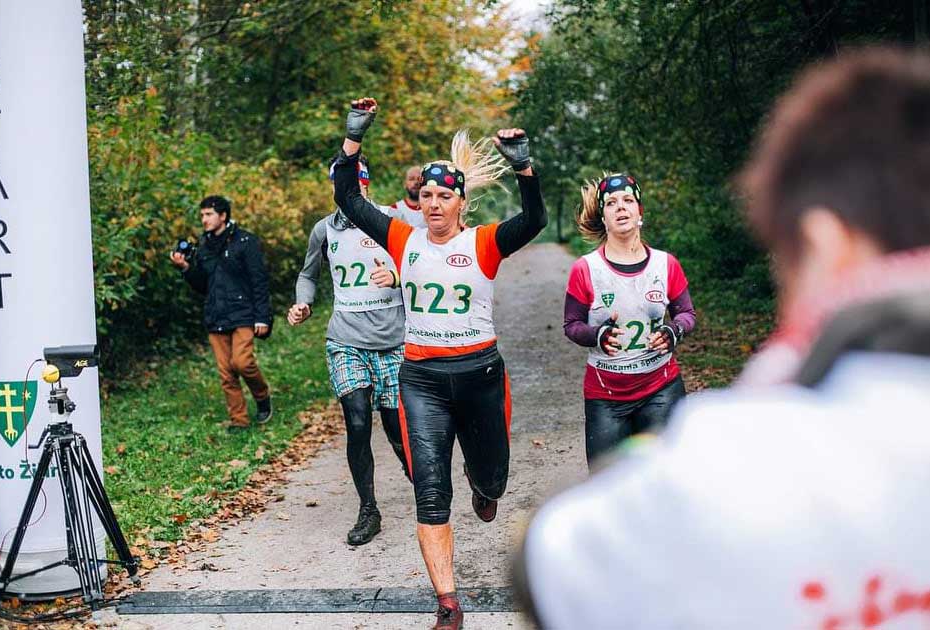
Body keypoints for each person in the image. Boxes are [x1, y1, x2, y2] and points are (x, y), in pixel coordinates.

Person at [517, 47, 930, 629]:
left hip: (661, 399)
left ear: (825, 244)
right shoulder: (587, 269)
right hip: (609, 390)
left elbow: (547, 561)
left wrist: (774, 387)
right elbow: (574, 326)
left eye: (784, 260)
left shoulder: (730, 454)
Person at [333, 97, 546, 630]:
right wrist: (353, 137)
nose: (431, 203)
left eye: (443, 196)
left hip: (481, 377)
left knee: (493, 480)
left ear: (460, 201)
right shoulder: (402, 237)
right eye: (425, 195)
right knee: (429, 489)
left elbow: (535, 219)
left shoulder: (484, 242)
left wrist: (524, 168)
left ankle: (484, 484)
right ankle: (448, 603)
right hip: (422, 378)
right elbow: (347, 197)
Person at [287, 157, 410, 546]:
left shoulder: (393, 221)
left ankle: (423, 483)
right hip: (346, 339)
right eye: (340, 185)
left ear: (366, 184)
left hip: (393, 340)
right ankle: (368, 509)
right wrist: (302, 303)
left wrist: (398, 277)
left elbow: (426, 264)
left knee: (396, 428)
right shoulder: (324, 230)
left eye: (353, 183)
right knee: (357, 422)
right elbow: (308, 274)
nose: (346, 192)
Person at [564, 173, 696, 466]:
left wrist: (673, 331)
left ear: (640, 212)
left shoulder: (666, 264)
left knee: (666, 480)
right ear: (604, 217)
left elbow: (687, 314)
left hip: (662, 389)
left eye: (628, 200)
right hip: (605, 396)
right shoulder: (585, 269)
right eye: (611, 203)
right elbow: (571, 325)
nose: (620, 207)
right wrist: (597, 335)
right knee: (606, 487)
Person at [170, 195, 273, 431]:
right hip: (215, 315)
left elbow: (259, 280)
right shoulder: (203, 246)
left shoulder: (245, 241)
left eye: (209, 214)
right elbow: (202, 285)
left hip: (243, 312)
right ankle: (239, 420)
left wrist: (262, 317)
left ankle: (262, 395)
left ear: (223, 216)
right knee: (226, 373)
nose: (204, 219)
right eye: (202, 215)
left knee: (242, 362)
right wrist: (185, 268)